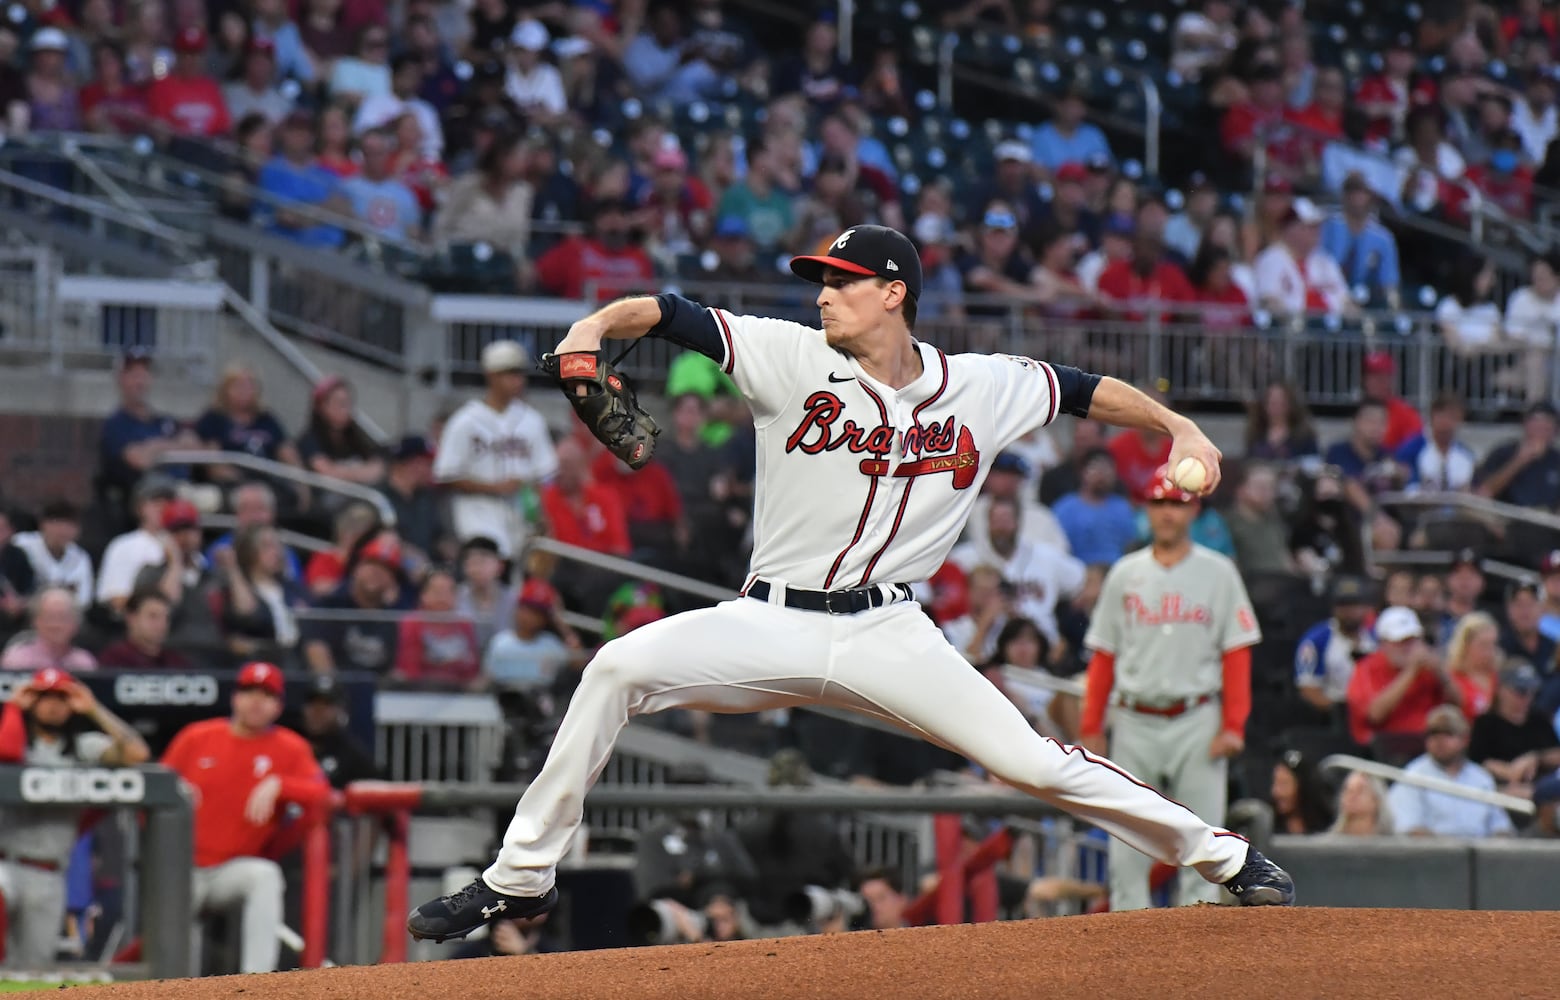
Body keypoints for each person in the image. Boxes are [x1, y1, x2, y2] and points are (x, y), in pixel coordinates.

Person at [407, 223, 1293, 944]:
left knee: (1033, 763)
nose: (822, 293)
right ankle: (518, 881)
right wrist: (591, 330)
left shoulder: (978, 386)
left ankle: (1223, 857)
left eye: (841, 280)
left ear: (893, 291)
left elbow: (1084, 389)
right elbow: (668, 314)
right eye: (819, 280)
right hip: (771, 620)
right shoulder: (788, 356)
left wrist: (1180, 426)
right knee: (613, 671)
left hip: (890, 636)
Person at [1078, 470, 1262, 911]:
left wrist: (1233, 724)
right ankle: (1127, 949)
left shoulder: (1218, 573)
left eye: (1177, 504)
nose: (1167, 513)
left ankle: (1197, 954)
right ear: (1147, 509)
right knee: (1126, 843)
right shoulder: (1125, 573)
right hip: (1134, 719)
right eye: (1159, 503)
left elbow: (1236, 655)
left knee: (1203, 838)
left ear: (1193, 510)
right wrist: (1092, 724)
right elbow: (1104, 655)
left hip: (1197, 718)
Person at [160, 662, 331, 974]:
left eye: (266, 695)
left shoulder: (289, 747)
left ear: (278, 706)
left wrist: (281, 783)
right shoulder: (197, 737)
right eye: (249, 691)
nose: (256, 701)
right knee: (177, 955)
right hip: (182, 868)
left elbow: (322, 794)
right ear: (235, 698)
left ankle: (256, 983)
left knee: (264, 876)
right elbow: (155, 792)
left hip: (233, 869)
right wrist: (176, 794)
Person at [0, 668, 150, 971]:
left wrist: (94, 709)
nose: (53, 705)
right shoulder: (13, 737)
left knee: (33, 971)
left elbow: (137, 753)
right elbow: (7, 751)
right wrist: (13, 707)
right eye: (44, 697)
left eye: (61, 698)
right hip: (5, 863)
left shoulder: (84, 748)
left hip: (49, 871)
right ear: (32, 702)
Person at [433, 341, 558, 562]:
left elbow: (544, 476)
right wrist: (494, 487)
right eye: (508, 373)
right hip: (477, 509)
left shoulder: (532, 420)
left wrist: (543, 516)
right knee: (488, 568)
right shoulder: (465, 420)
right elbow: (446, 474)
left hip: (520, 511)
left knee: (519, 575)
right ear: (491, 376)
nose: (517, 380)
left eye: (519, 373)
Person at [1387, 704, 1515, 838]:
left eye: (1448, 734)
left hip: (1480, 854)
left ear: (1464, 739)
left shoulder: (1481, 778)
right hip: (1432, 854)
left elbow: (1501, 827)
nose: (1439, 741)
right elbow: (1408, 829)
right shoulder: (1413, 776)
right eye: (1433, 734)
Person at [1293, 576, 1377, 720]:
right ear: (1334, 608)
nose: (1349, 611)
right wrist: (1340, 712)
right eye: (1343, 605)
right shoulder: (1316, 639)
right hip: (1335, 712)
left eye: (1354, 605)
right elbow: (1307, 688)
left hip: (1377, 710)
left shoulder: (1377, 637)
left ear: (1366, 608)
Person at [12, 500, 94, 608]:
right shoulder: (21, 544)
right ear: (43, 524)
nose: (62, 531)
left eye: (69, 525)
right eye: (57, 524)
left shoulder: (80, 557)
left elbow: (83, 600)